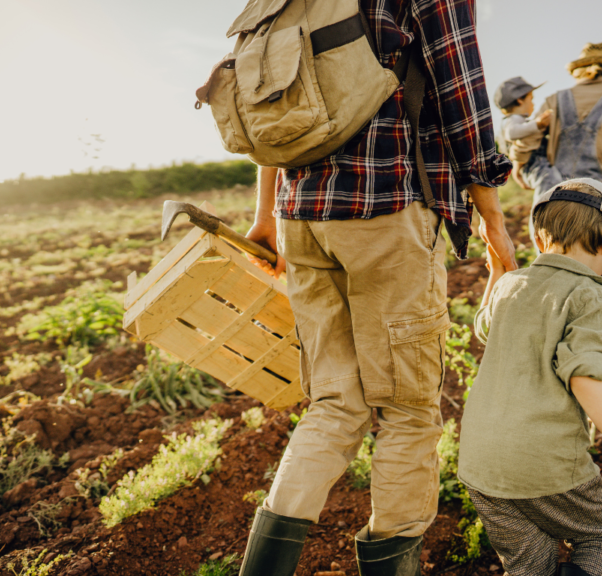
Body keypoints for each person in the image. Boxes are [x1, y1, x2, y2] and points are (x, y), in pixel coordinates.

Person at [238, 1, 517, 575]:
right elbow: (460, 88)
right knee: (408, 410)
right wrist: (493, 219)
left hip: (300, 217)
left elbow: (269, 101)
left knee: (335, 402)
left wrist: (265, 212)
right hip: (386, 207)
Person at [457, 178, 602, 576]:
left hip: (480, 466)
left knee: (529, 564)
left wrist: (499, 271)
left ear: (538, 238)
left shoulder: (511, 286)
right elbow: (584, 374)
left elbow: (484, 327)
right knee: (600, 539)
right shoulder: (594, 296)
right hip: (544, 464)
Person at [516, 42, 602, 233]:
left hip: (554, 189)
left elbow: (529, 138)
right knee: (595, 253)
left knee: (550, 250)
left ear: (578, 71)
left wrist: (519, 165)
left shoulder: (554, 100)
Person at [494, 76, 551, 167]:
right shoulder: (514, 118)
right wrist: (537, 124)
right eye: (531, 99)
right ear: (520, 100)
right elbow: (511, 133)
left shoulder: (519, 119)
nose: (533, 103)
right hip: (531, 164)